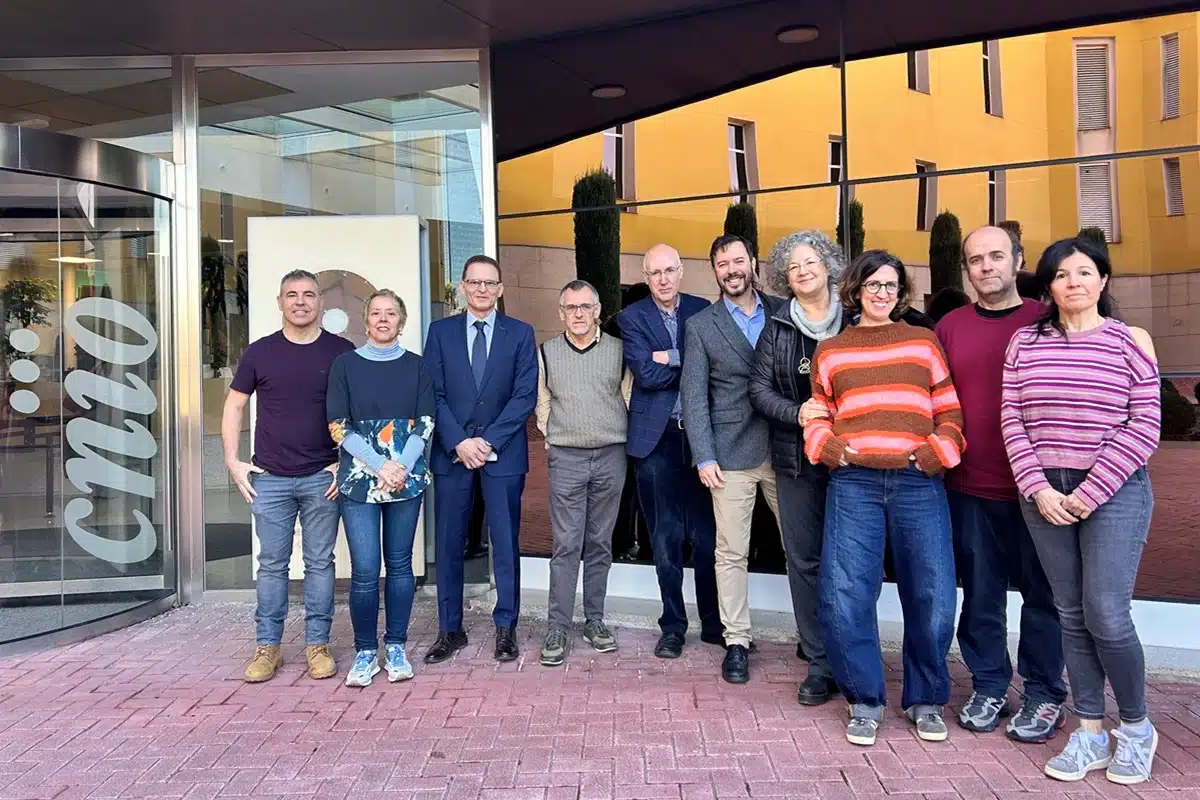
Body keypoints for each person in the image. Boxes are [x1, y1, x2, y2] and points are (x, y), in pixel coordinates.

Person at [1001, 236, 1161, 785]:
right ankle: (1090, 731)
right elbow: (1012, 420)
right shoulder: (1024, 343)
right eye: (1062, 274)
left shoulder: (1128, 341)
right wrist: (1037, 487)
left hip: (1114, 491)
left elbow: (1145, 425)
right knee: (1070, 614)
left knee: (1107, 615)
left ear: (1103, 280)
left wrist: (1091, 491)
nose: (1074, 282)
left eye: (1085, 272)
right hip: (1044, 493)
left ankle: (1136, 729)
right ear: (1048, 286)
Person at [802, 249, 964, 747]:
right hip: (855, 484)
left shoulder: (923, 342)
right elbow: (817, 415)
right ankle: (865, 701)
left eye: (891, 285)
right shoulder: (831, 350)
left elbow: (950, 412)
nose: (882, 293)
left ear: (901, 292)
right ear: (856, 290)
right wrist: (830, 450)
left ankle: (926, 700)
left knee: (933, 594)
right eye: (873, 284)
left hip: (918, 482)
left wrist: (936, 454)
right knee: (846, 593)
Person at [935, 226, 1067, 742]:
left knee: (1044, 597)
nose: (986, 266)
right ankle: (989, 685)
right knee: (981, 597)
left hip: (1042, 491)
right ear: (967, 269)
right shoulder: (950, 327)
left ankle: (1043, 692)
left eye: (996, 256)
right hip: (970, 487)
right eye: (975, 259)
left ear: (1017, 260)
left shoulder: (1047, 321)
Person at [222, 269, 354, 683]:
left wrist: (345, 461)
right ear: (280, 302)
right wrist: (232, 461)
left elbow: (360, 411)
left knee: (320, 564)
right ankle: (268, 648)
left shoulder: (341, 351)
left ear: (320, 302)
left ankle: (318, 645)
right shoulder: (260, 353)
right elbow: (234, 406)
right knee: (272, 565)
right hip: (270, 478)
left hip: (322, 478)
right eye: (292, 295)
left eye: (308, 294)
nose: (300, 301)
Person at [423, 255, 538, 664]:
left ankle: (506, 627)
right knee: (449, 543)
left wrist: (487, 442)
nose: (482, 289)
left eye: (490, 283)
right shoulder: (440, 333)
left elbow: (524, 395)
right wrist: (458, 442)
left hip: (501, 454)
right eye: (475, 282)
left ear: (500, 289)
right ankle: (449, 629)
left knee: (504, 543)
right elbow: (432, 393)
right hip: (453, 455)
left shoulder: (520, 333)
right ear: (463, 287)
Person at [680, 234, 784, 684]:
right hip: (729, 454)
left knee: (802, 550)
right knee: (730, 553)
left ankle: (816, 638)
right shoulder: (702, 325)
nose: (731, 270)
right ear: (714, 271)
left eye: (738, 260)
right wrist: (704, 456)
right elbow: (694, 397)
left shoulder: (785, 311)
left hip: (786, 450)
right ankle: (736, 640)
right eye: (722, 264)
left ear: (752, 263)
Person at [747, 230, 845, 706]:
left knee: (851, 560)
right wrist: (797, 412)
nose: (803, 271)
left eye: (810, 262)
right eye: (793, 266)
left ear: (827, 265)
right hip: (797, 459)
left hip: (852, 460)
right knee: (804, 560)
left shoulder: (857, 318)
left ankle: (852, 652)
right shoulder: (778, 325)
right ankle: (820, 660)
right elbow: (758, 390)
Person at [326, 290, 434, 687]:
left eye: (391, 313)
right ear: (366, 320)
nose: (383, 319)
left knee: (401, 565)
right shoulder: (344, 366)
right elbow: (338, 425)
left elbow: (425, 422)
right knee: (366, 569)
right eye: (376, 313)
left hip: (405, 477)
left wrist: (399, 466)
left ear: (401, 321)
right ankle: (366, 652)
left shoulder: (418, 367)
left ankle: (396, 646)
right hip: (360, 481)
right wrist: (379, 464)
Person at [618, 243, 721, 659]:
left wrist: (669, 356)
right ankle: (673, 626)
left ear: (681, 271)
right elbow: (645, 373)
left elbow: (712, 367)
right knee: (665, 538)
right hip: (655, 440)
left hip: (700, 439)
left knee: (707, 538)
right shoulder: (631, 317)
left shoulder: (702, 309)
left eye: (669, 271)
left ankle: (713, 624)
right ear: (646, 277)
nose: (663, 279)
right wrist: (687, 360)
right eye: (655, 273)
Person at [536, 279, 633, 666]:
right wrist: (554, 436)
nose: (578, 314)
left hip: (610, 455)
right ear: (561, 314)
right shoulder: (547, 352)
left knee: (599, 542)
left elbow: (627, 397)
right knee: (565, 544)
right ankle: (557, 626)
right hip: (566, 458)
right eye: (570, 308)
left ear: (597, 312)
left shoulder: (618, 351)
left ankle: (594, 620)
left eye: (585, 307)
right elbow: (543, 400)